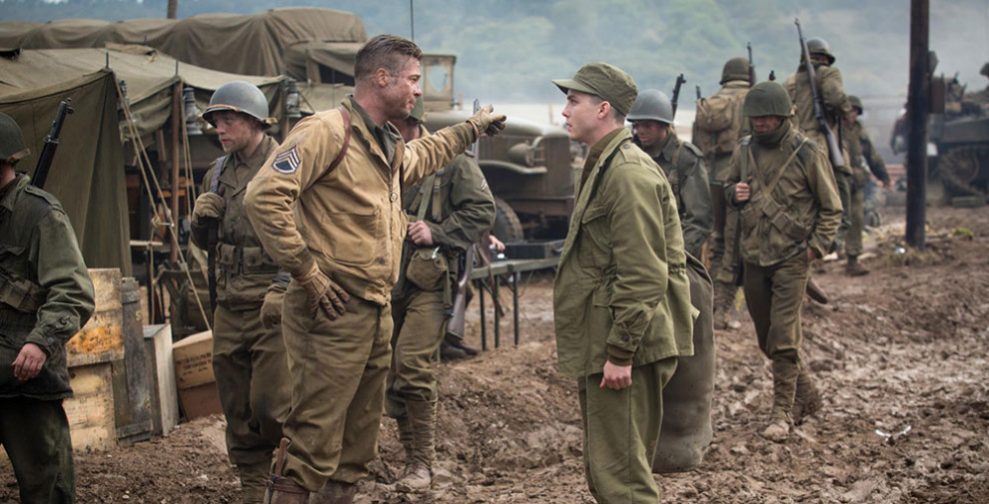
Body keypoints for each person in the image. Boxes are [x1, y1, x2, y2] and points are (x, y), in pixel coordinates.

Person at [243, 34, 505, 503]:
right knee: (313, 436)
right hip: (331, 308)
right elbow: (264, 197)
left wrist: (472, 129)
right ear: (382, 77)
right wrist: (306, 272)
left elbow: (422, 156)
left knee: (357, 444)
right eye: (413, 79)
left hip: (374, 308)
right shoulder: (327, 131)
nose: (418, 90)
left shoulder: (384, 141)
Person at [551, 63, 694, 503]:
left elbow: (643, 273)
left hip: (626, 345)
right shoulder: (605, 165)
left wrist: (620, 352)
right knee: (608, 471)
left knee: (624, 481)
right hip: (606, 336)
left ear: (603, 109)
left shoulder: (628, 173)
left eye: (573, 101)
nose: (565, 111)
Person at [188, 81, 291, 503]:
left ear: (254, 121)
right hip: (229, 303)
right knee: (235, 403)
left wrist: (283, 288)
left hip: (272, 302)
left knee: (271, 404)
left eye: (228, 120)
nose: (220, 129)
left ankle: (294, 476)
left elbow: (305, 234)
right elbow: (207, 244)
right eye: (216, 121)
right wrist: (198, 222)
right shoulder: (216, 172)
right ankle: (253, 484)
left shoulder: (285, 165)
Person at [385, 97, 495, 491]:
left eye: (397, 127)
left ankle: (421, 463)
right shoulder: (381, 159)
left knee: (412, 365)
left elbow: (482, 211)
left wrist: (437, 231)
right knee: (388, 373)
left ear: (413, 125)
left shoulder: (452, 162)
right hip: (384, 281)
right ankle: (407, 459)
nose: (391, 134)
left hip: (428, 283)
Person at [724, 82, 842, 442]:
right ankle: (807, 394)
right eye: (755, 118)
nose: (760, 123)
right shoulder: (744, 150)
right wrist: (735, 194)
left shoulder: (807, 152)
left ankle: (782, 413)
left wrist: (815, 248)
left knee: (784, 338)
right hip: (754, 257)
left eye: (767, 117)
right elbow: (728, 192)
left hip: (792, 258)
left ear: (784, 116)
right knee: (766, 339)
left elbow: (832, 208)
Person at [0, 112, 95, 503]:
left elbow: (73, 291)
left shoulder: (41, 214)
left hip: (25, 379)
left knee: (46, 487)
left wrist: (40, 342)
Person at [692, 57, 751, 329]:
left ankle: (708, 302)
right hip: (738, 180)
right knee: (734, 242)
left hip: (709, 178)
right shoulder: (751, 100)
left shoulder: (709, 104)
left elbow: (696, 145)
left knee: (716, 240)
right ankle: (723, 308)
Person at [783, 37, 852, 251]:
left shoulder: (789, 82)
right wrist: (846, 111)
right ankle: (834, 239)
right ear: (825, 58)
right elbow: (835, 98)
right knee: (840, 186)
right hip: (820, 145)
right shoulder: (829, 73)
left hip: (792, 149)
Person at [628, 89, 712, 259]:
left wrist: (677, 257)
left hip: (674, 251)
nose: (641, 131)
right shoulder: (629, 154)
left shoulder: (686, 158)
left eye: (648, 125)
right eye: (636, 125)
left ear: (664, 125)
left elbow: (698, 219)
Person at [842, 95, 891, 276]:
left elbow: (872, 156)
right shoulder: (833, 129)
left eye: (856, 111)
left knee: (856, 218)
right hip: (834, 179)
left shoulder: (859, 131)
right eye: (850, 110)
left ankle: (852, 259)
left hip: (854, 181)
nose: (852, 114)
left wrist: (884, 177)